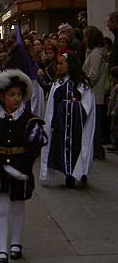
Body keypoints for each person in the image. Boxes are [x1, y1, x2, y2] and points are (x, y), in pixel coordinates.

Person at [0, 69, 46, 263]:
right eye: (11, 95)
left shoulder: (29, 120)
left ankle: (15, 243)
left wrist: (23, 167)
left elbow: (34, 147)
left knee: (17, 206)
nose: (16, 99)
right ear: (2, 96)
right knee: (1, 209)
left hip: (20, 169)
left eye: (18, 95)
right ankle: (2, 250)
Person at [40, 53, 95, 188]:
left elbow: (88, 104)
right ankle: (68, 174)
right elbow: (52, 106)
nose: (58, 66)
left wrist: (78, 109)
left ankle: (80, 171)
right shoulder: (57, 84)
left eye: (61, 63)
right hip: (62, 122)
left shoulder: (82, 84)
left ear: (70, 65)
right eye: (58, 63)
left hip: (77, 123)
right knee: (63, 147)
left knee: (77, 146)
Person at [83, 26, 108, 160]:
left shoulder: (96, 54)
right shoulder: (92, 52)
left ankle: (97, 148)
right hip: (92, 93)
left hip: (95, 94)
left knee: (96, 124)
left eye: (86, 37)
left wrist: (84, 82)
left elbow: (93, 75)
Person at [107, 66, 118, 154]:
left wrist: (114, 110)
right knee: (113, 128)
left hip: (116, 110)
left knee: (116, 128)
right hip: (112, 109)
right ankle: (114, 144)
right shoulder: (113, 84)